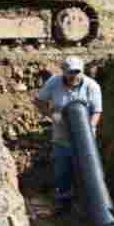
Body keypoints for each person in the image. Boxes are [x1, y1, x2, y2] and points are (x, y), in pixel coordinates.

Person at [34, 57, 102, 214]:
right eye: (70, 72)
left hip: (85, 140)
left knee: (87, 172)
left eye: (77, 72)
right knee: (63, 171)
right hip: (62, 137)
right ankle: (64, 202)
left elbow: (97, 111)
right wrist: (52, 115)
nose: (73, 75)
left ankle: (86, 205)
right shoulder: (54, 83)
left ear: (82, 71)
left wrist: (89, 128)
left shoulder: (91, 86)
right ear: (63, 71)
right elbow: (39, 101)